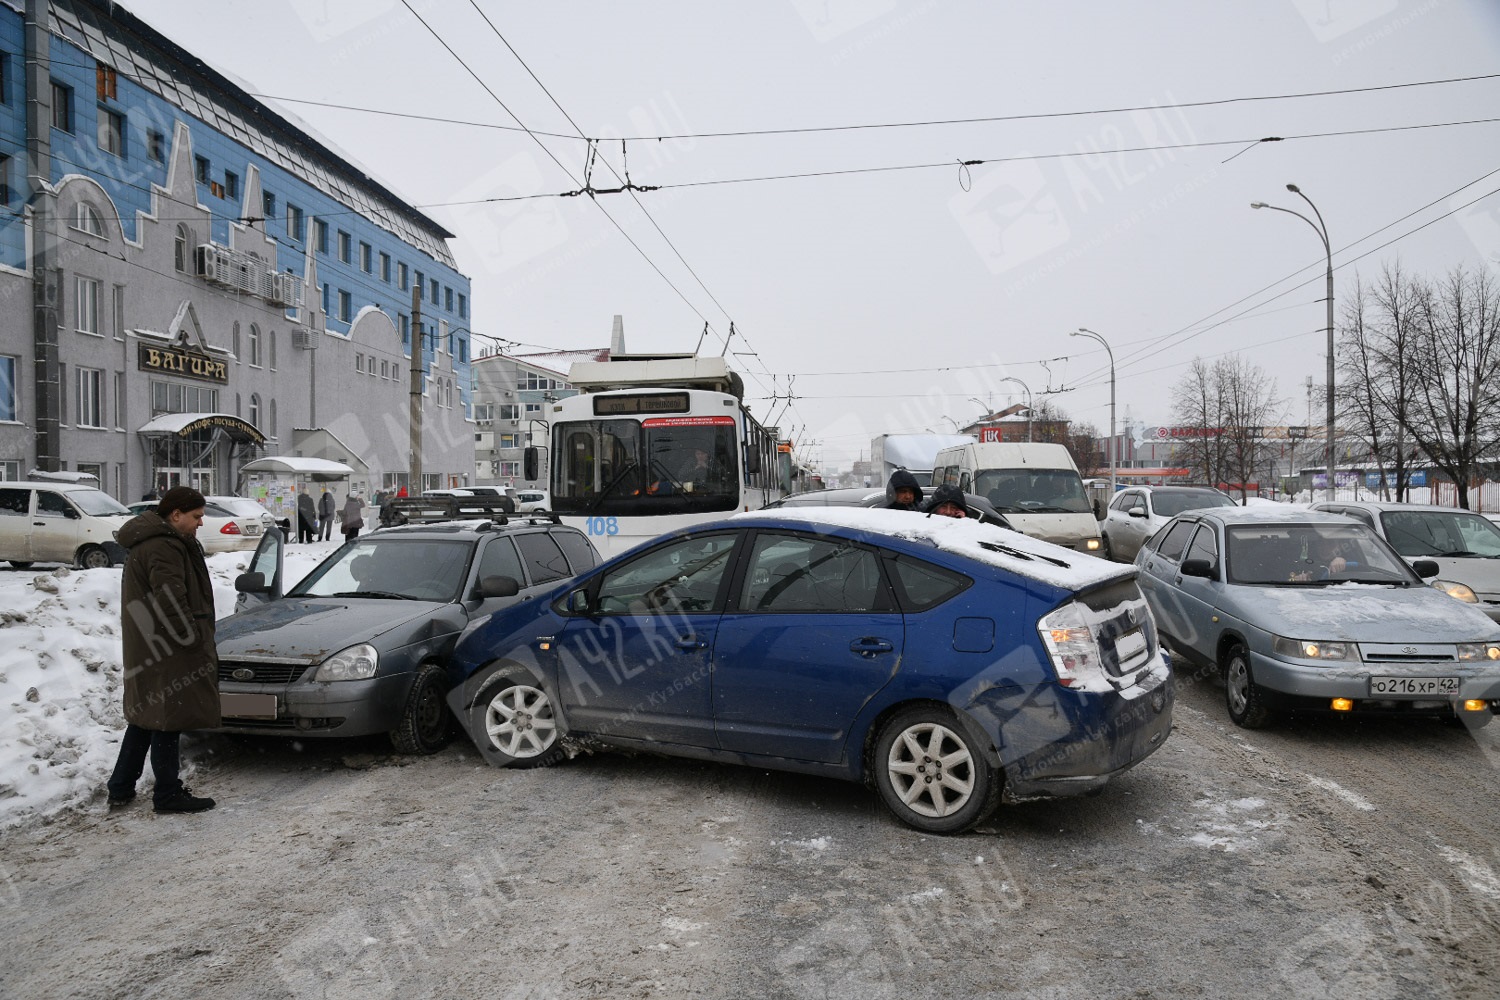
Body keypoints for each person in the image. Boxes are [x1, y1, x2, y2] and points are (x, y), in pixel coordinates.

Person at [105, 486, 219, 814]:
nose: (200, 523)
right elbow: (170, 597)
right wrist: (191, 637)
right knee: (169, 715)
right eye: (196, 516)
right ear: (176, 514)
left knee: (145, 717)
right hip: (168, 647)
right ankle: (168, 794)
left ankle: (121, 787)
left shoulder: (158, 542)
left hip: (150, 642)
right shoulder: (164, 546)